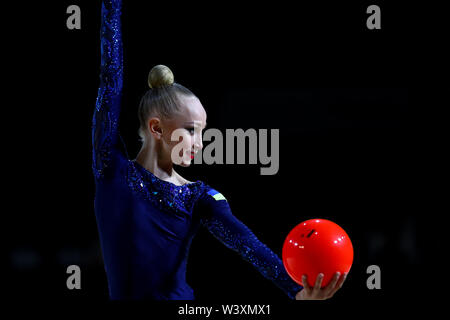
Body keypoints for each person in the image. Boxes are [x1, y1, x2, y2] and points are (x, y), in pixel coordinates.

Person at [92, 0, 347, 300]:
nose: (200, 143)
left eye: (202, 131)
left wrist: (296, 291)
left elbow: (246, 244)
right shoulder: (111, 166)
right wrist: (112, 6)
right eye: (190, 130)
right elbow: (110, 80)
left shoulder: (198, 197)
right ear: (157, 129)